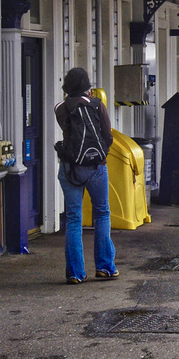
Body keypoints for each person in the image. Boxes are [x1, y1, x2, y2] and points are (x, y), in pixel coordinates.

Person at [55, 67, 117, 284]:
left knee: (73, 218)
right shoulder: (97, 104)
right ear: (88, 86)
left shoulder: (61, 108)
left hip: (70, 167)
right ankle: (105, 267)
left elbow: (66, 122)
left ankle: (75, 273)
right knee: (102, 214)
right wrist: (99, 155)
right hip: (96, 166)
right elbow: (108, 136)